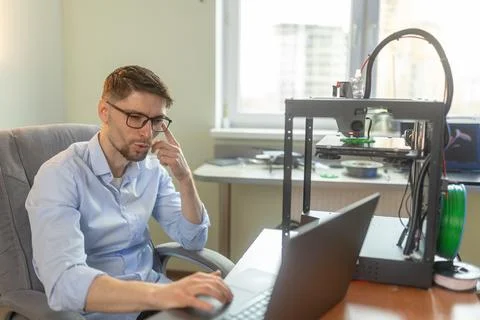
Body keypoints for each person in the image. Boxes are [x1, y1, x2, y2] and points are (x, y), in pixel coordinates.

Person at [25, 65, 233, 320]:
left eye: (156, 121)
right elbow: (65, 282)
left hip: (157, 299)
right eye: (135, 117)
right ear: (104, 111)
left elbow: (193, 239)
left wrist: (185, 178)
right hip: (104, 312)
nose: (147, 133)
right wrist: (162, 295)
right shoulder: (60, 176)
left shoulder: (151, 168)